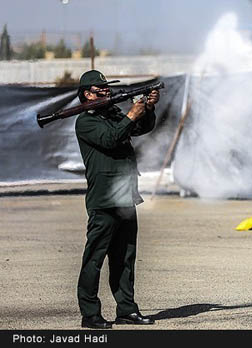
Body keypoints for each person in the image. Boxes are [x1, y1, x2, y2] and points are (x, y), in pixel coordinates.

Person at [74, 70, 160, 329]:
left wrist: (148, 107)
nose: (106, 91)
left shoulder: (111, 114)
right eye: (100, 89)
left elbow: (141, 127)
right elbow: (111, 139)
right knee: (95, 258)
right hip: (104, 199)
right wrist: (132, 114)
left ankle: (126, 309)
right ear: (88, 94)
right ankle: (90, 314)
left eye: (106, 88)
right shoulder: (86, 122)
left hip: (125, 195)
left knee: (125, 257)